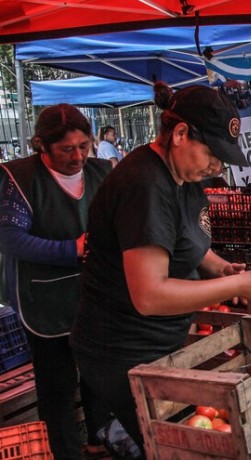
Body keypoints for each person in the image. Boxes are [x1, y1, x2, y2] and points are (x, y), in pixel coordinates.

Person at [70, 84, 251, 454]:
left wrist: (221, 267)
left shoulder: (182, 177)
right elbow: (150, 295)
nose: (218, 166)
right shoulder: (145, 184)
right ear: (180, 134)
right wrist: (243, 284)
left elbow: (188, 241)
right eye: (213, 154)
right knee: (174, 447)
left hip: (158, 343)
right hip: (122, 350)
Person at [0, 104, 112, 459]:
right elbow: (8, 237)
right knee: (58, 384)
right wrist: (70, 249)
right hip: (43, 300)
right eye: (67, 149)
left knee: (98, 375)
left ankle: (100, 441)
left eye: (84, 146)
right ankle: (66, 453)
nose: (78, 156)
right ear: (41, 145)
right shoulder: (18, 178)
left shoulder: (102, 171)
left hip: (96, 293)